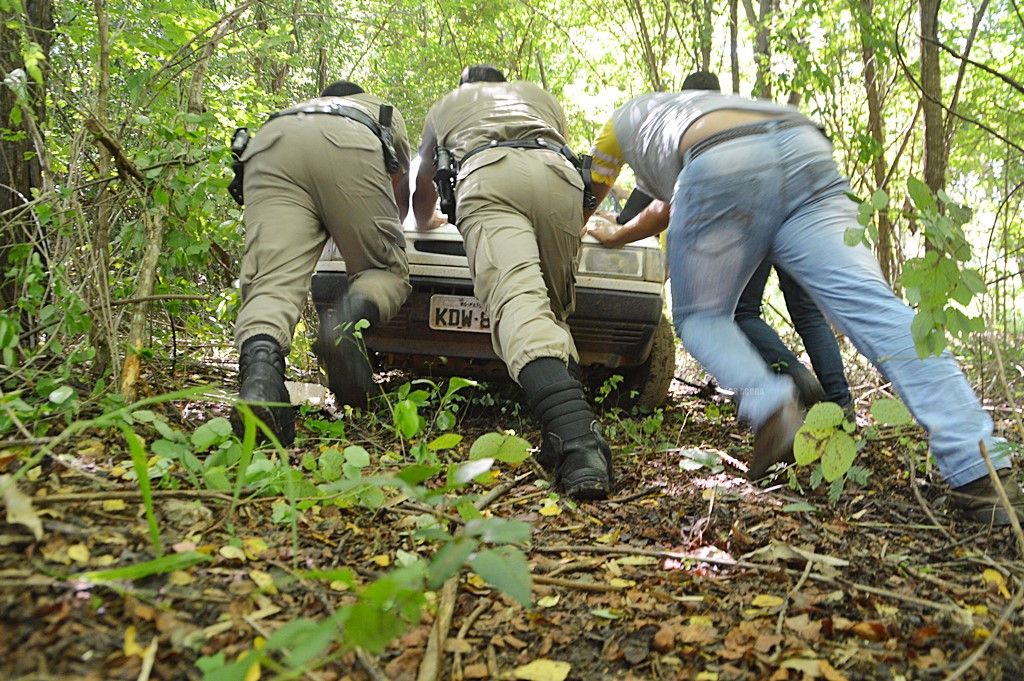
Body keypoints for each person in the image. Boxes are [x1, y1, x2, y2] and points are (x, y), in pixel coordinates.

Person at [585, 88, 1021, 524]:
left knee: (702, 318)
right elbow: (663, 207)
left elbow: (591, 192)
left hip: (723, 158)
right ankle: (984, 475)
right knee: (876, 309)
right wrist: (620, 235)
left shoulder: (621, 121)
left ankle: (771, 402)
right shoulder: (688, 110)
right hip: (804, 146)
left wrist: (586, 230)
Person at [411, 64, 612, 500]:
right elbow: (562, 145)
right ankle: (561, 431)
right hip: (559, 176)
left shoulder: (447, 105)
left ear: (464, 87)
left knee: (520, 304)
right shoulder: (539, 97)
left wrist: (425, 219)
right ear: (505, 86)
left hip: (488, 176)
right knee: (553, 310)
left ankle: (579, 443)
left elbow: (424, 184)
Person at [606, 70, 852, 410]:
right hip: (802, 209)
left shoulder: (686, 126)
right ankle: (842, 406)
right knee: (808, 314)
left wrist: (616, 226)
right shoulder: (746, 115)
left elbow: (656, 201)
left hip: (750, 217)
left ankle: (796, 380)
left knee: (741, 313)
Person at [232, 80, 413, 445]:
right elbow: (396, 188)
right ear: (360, 94)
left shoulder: (298, 108)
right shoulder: (380, 110)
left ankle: (262, 382)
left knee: (271, 282)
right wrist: (385, 240)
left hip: (269, 145)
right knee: (383, 271)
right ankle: (343, 326)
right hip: (350, 143)